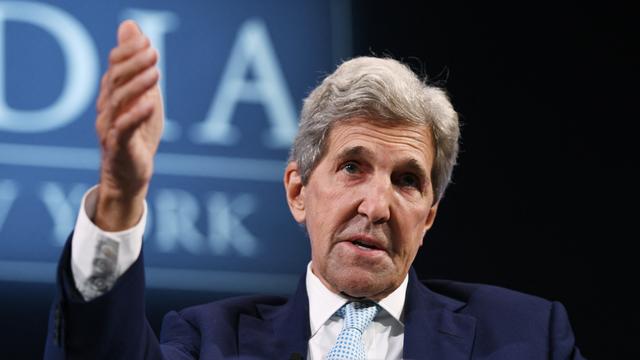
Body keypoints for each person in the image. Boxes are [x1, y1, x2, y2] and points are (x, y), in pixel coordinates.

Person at [44, 20, 584, 360]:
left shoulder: (527, 336)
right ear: (298, 191)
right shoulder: (210, 340)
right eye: (352, 167)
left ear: (429, 218)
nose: (376, 207)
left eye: (407, 181)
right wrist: (119, 196)